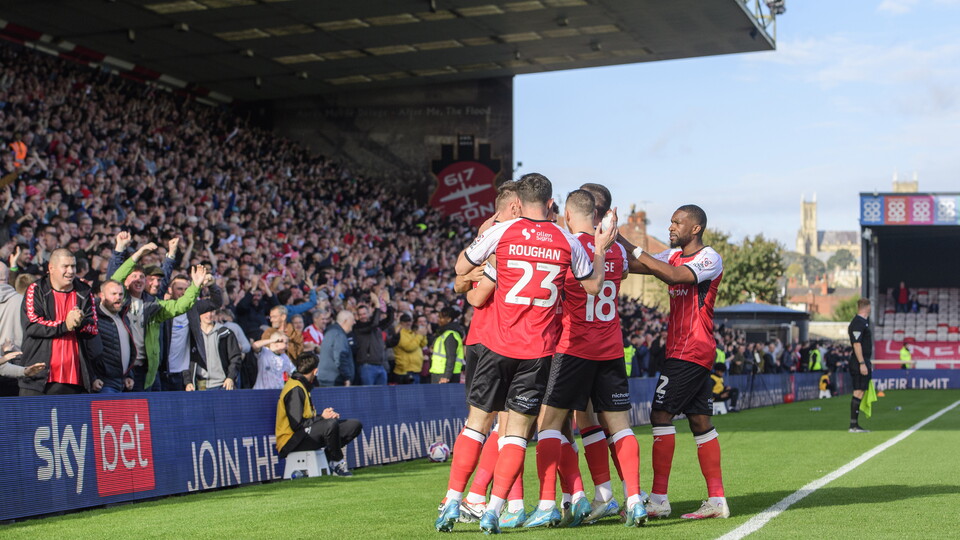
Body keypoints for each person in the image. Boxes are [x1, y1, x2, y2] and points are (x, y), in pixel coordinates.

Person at [437, 173, 616, 534]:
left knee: (478, 425)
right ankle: (497, 509)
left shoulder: (503, 231)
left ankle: (455, 501)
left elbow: (459, 270)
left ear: (518, 200)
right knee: (517, 434)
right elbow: (594, 286)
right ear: (551, 204)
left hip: (496, 345)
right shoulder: (566, 240)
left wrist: (485, 238)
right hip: (538, 351)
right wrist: (599, 248)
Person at [533, 188, 647, 528]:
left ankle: (548, 503)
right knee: (618, 426)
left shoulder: (567, 246)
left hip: (574, 348)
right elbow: (622, 273)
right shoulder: (613, 251)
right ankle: (634, 500)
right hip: (611, 348)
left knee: (550, 424)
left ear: (568, 216)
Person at [622, 204, 729, 520]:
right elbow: (641, 266)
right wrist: (606, 252)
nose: (671, 226)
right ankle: (717, 501)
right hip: (685, 350)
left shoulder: (709, 258)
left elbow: (670, 276)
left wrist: (628, 243)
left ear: (695, 228)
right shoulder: (671, 255)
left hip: (690, 349)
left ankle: (658, 499)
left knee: (660, 414)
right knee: (699, 421)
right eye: (670, 222)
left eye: (677, 222)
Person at [19, 249, 101, 395]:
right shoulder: (36, 289)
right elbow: (32, 325)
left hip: (75, 379)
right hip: (38, 379)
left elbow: (93, 329)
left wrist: (79, 323)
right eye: (66, 266)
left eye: (73, 266)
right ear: (51, 268)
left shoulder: (84, 291)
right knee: (34, 418)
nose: (71, 271)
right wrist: (65, 325)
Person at [275, 352, 363, 477]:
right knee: (329, 424)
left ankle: (328, 457)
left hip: (304, 434)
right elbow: (297, 424)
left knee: (353, 425)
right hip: (291, 441)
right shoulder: (295, 388)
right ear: (315, 371)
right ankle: (337, 462)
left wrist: (323, 417)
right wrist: (322, 418)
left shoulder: (302, 385)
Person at [184, 300, 243, 391]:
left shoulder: (226, 333)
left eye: (211, 311)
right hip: (200, 386)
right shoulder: (192, 336)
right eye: (205, 311)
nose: (209, 315)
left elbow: (235, 357)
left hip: (223, 385)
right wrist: (188, 382)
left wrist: (230, 377)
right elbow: (185, 361)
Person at [93, 280, 136, 393]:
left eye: (121, 294)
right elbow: (88, 352)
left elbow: (127, 348)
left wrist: (129, 375)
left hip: (122, 382)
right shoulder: (94, 319)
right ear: (102, 296)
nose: (118, 297)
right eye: (113, 294)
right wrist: (93, 377)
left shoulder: (123, 317)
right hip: (104, 383)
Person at [352, 293, 394, 386]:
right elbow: (373, 324)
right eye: (360, 314)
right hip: (367, 366)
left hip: (380, 365)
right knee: (368, 395)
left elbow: (390, 320)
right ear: (357, 316)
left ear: (369, 313)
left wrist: (388, 303)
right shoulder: (357, 327)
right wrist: (378, 306)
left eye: (364, 313)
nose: (363, 316)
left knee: (381, 394)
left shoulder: (375, 325)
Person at [847, 298, 873, 433]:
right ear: (867, 307)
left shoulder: (863, 322)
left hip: (863, 360)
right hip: (859, 362)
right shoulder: (858, 323)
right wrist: (862, 363)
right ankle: (853, 425)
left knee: (860, 391)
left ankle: (855, 425)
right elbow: (857, 344)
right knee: (858, 391)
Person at [317, 310, 355, 387]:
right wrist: (347, 377)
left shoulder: (331, 332)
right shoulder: (339, 334)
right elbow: (340, 357)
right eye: (352, 320)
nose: (354, 322)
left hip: (326, 378)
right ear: (345, 321)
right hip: (334, 380)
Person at [429, 306, 465, 384]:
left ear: (448, 319)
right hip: (439, 372)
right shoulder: (444, 333)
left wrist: (446, 376)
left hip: (444, 375)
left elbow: (451, 357)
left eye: (441, 317)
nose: (438, 320)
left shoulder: (450, 335)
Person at [393, 312, 427, 384]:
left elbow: (423, 344)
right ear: (401, 322)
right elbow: (409, 347)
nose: (408, 323)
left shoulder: (412, 332)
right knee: (408, 393)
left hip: (415, 369)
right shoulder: (399, 333)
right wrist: (420, 335)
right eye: (405, 321)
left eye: (410, 321)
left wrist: (423, 335)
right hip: (405, 370)